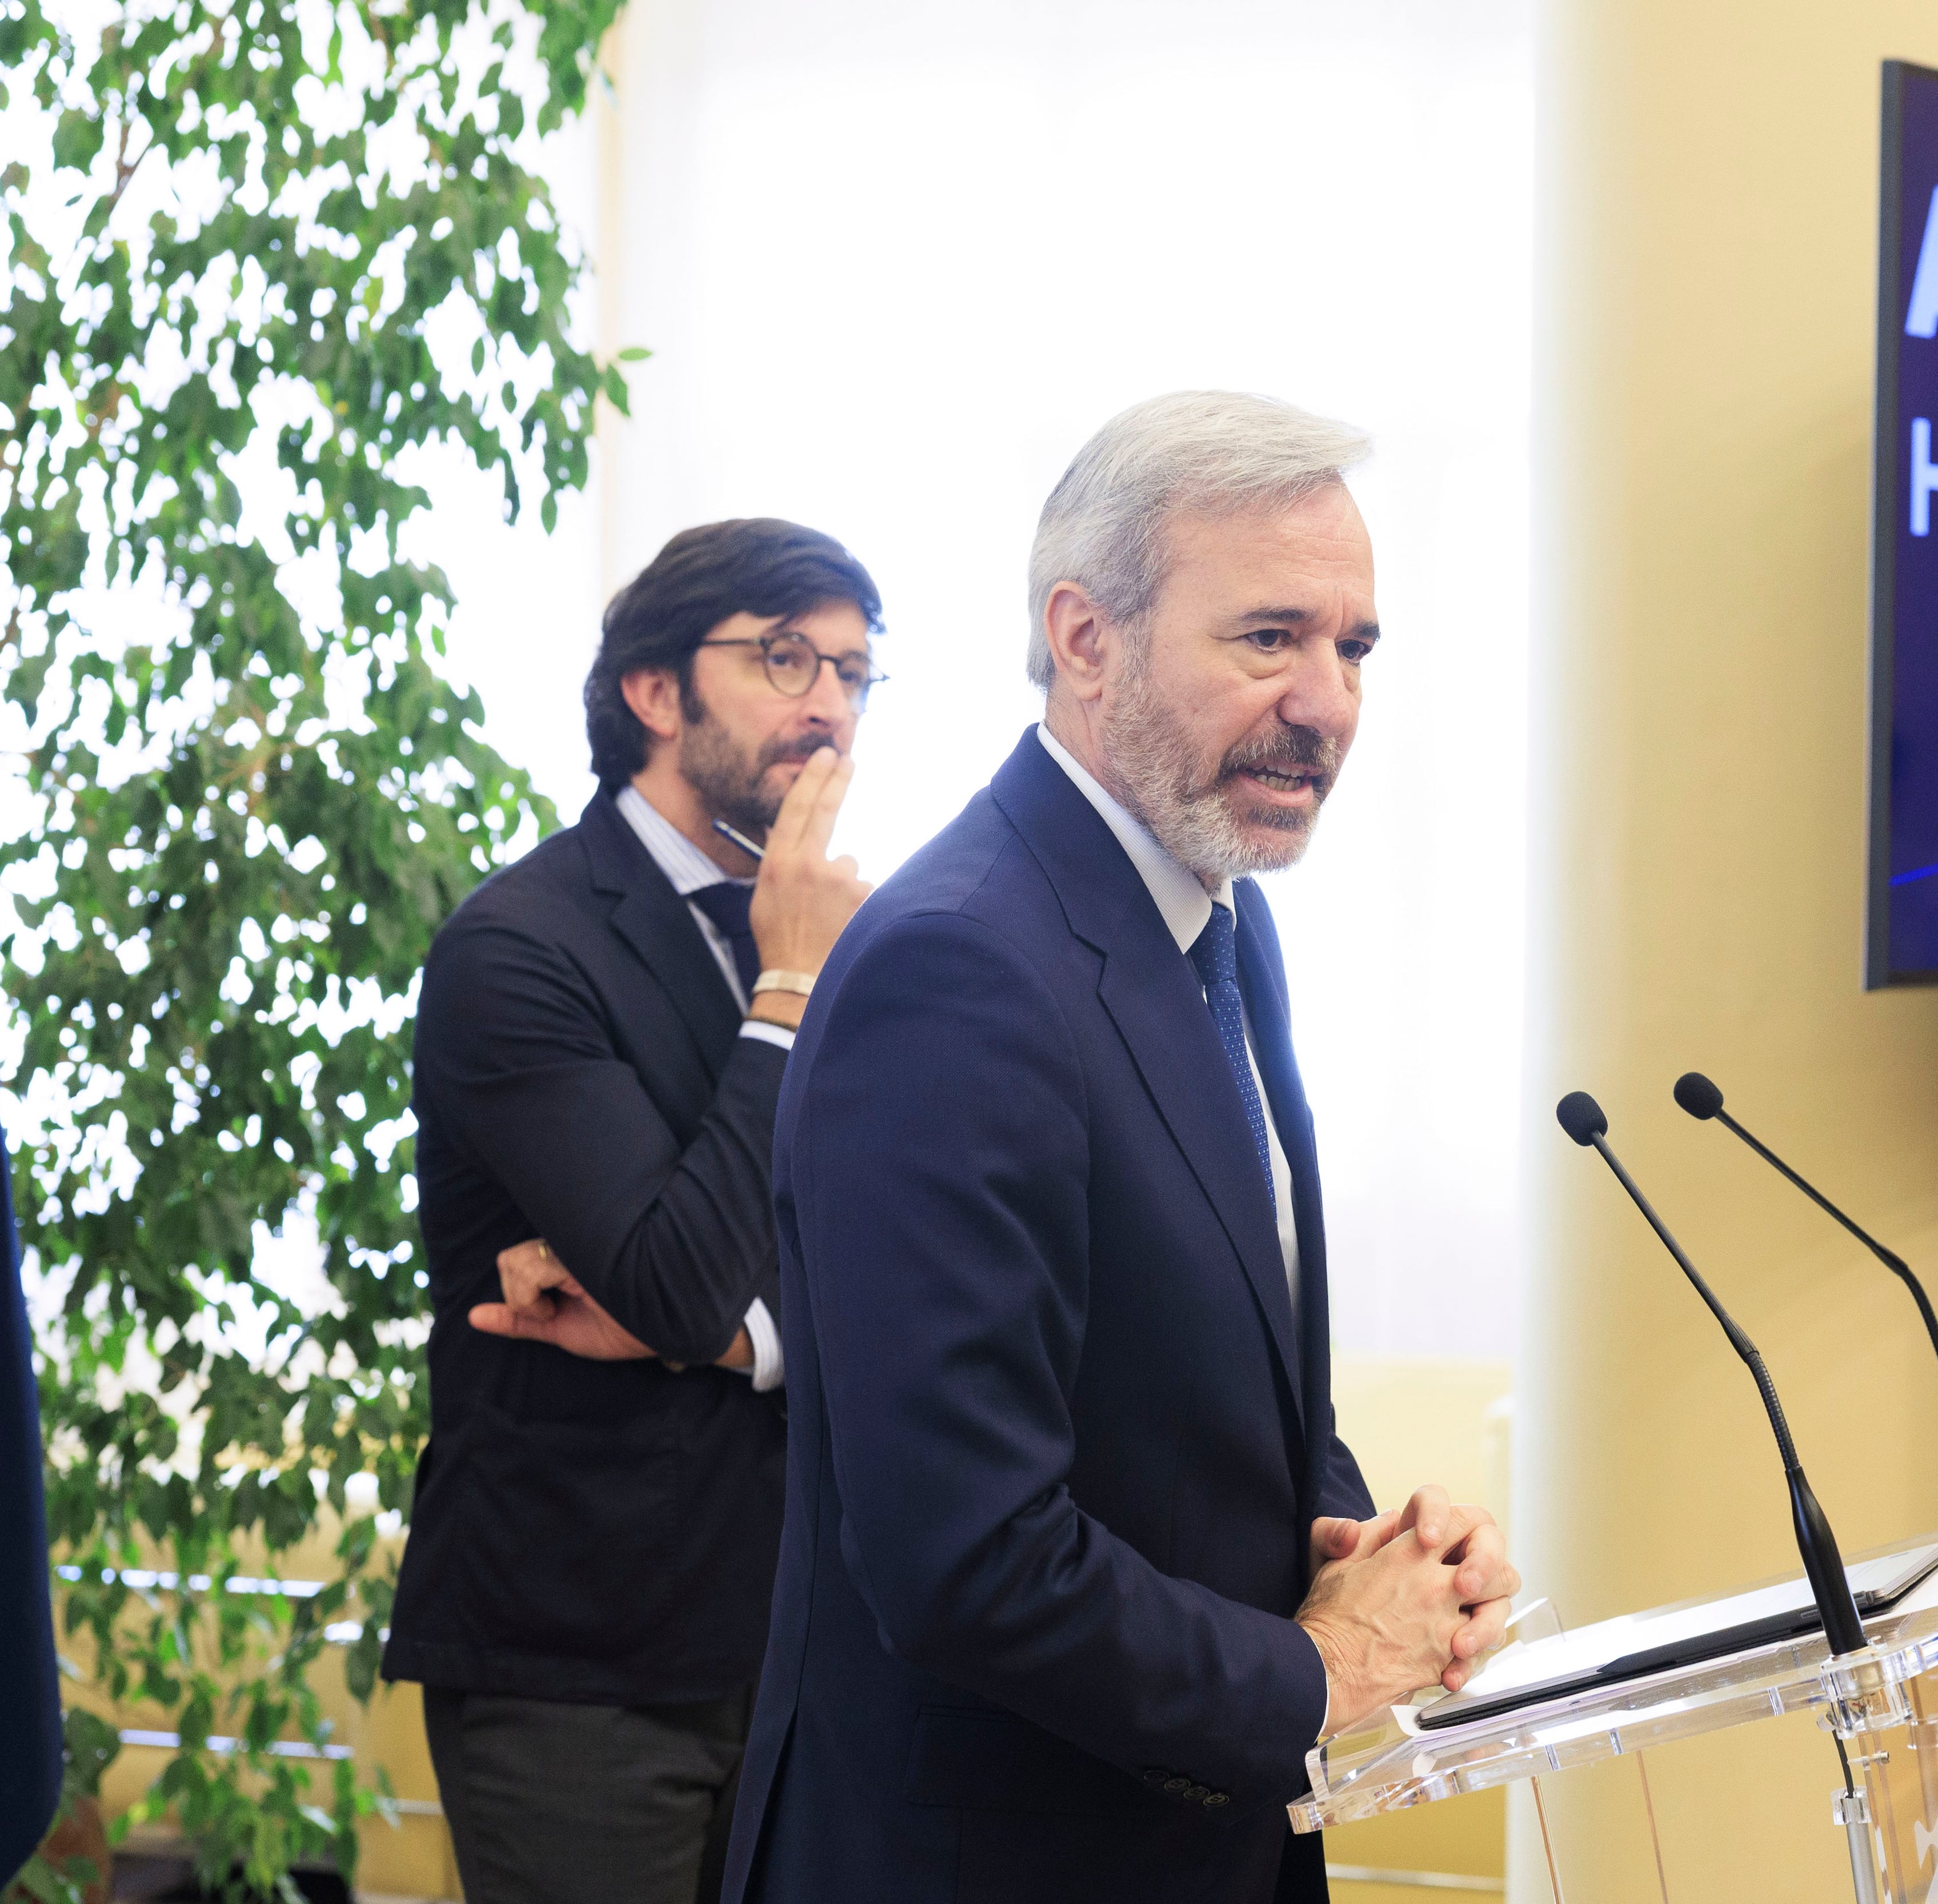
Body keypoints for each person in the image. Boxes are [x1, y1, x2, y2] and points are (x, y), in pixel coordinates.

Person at [723, 395, 1518, 1904]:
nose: (1328, 702)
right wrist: (1317, 1664)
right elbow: (963, 1554)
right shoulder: (955, 971)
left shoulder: (1222, 915)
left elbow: (1194, 1385)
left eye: (1354, 648)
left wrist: (1370, 1542)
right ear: (1085, 638)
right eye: (1270, 638)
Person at [383, 518, 880, 1904]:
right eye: (785, 658)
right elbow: (674, 1276)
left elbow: (901, 1266)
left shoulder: (859, 936)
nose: (829, 704)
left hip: (807, 1639)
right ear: (653, 693)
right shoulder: (520, 944)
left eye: (853, 669)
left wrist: (738, 1342)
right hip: (580, 1665)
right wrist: (783, 993)